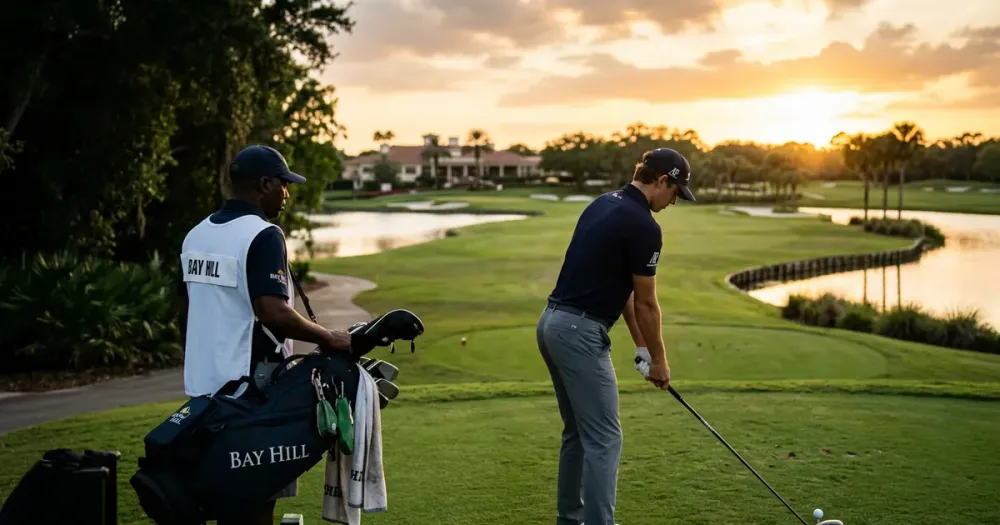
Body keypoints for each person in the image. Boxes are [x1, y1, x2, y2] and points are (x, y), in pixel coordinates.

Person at [176, 144, 353, 525]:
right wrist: (328, 338)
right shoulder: (263, 234)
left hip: (203, 392)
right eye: (284, 184)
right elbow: (273, 312)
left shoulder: (196, 235)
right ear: (264, 184)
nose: (287, 193)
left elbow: (189, 309)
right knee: (256, 497)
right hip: (248, 392)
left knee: (224, 494)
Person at [535, 147, 696, 525]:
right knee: (605, 439)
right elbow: (646, 303)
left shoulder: (602, 204)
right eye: (675, 192)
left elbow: (622, 291)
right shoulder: (644, 226)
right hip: (579, 333)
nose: (675, 201)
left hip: (551, 324)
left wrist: (641, 345)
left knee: (577, 433)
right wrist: (660, 360)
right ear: (662, 181)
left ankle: (570, 521)